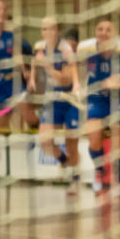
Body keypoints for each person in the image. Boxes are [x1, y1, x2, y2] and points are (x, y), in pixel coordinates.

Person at [77, 18, 120, 191]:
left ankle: (118, 181)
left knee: (116, 134)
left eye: (108, 30)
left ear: (115, 34)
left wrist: (117, 83)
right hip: (96, 98)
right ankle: (99, 170)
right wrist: (77, 83)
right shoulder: (85, 48)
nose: (104, 33)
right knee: (94, 135)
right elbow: (73, 64)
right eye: (100, 29)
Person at [30, 15, 82, 187]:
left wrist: (47, 67)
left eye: (51, 28)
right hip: (52, 100)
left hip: (69, 100)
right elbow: (33, 59)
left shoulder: (65, 49)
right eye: (44, 29)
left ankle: (73, 178)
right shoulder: (39, 46)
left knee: (71, 142)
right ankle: (65, 162)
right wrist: (31, 77)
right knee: (45, 141)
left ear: (57, 30)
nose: (48, 32)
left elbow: (65, 80)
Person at [0, 0, 36, 170]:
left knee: (29, 114)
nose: (2, 12)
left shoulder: (12, 35)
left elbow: (17, 55)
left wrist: (24, 71)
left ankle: (33, 136)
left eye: (4, 9)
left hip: (12, 84)